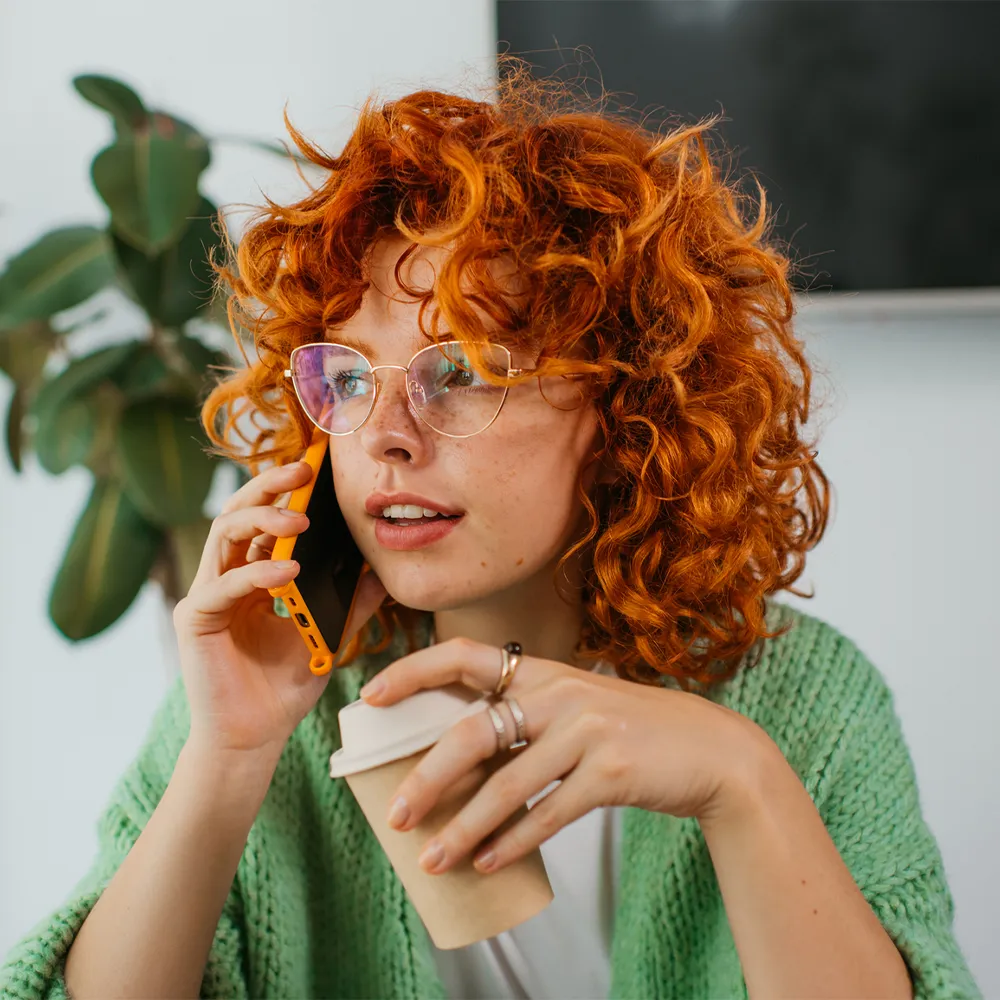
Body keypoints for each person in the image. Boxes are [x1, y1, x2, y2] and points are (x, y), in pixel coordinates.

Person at [0, 58, 981, 1000]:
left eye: (461, 369)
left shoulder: (804, 708)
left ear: (625, 412)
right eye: (348, 376)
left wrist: (739, 782)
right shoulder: (275, 695)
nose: (383, 438)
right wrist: (226, 757)